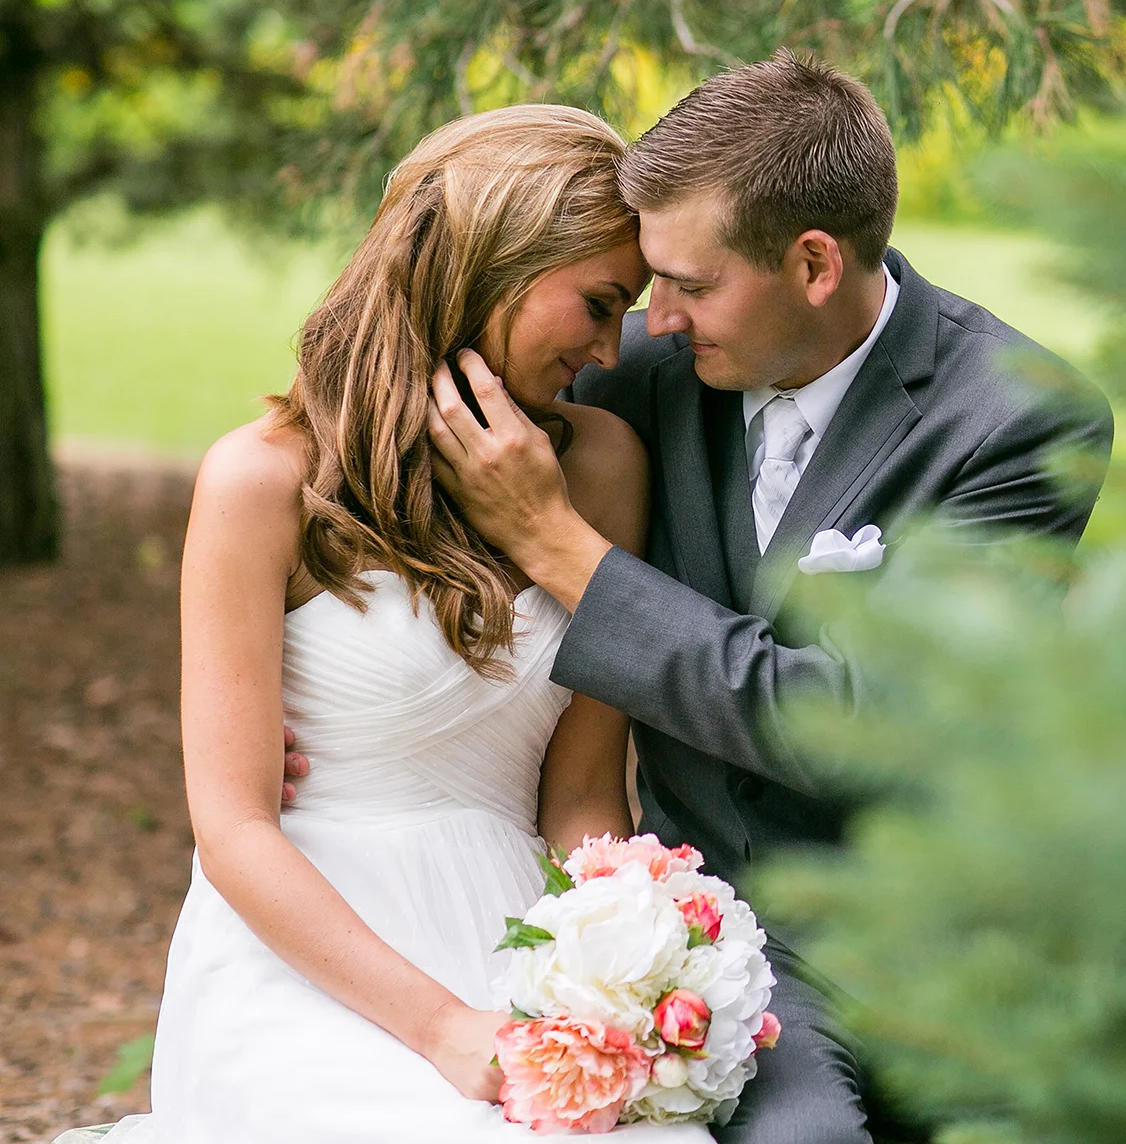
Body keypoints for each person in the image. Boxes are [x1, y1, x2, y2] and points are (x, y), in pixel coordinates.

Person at [426, 52, 1115, 1144]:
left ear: (812, 263)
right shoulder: (636, 370)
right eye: (652, 281)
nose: (655, 315)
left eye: (692, 286)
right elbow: (401, 425)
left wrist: (566, 551)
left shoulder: (1015, 419)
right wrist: (314, 688)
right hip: (720, 933)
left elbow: (873, 727)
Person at [94, 105, 713, 1142]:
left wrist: (631, 958)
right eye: (600, 303)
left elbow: (582, 794)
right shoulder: (261, 483)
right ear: (497, 262)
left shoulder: (601, 465)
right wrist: (441, 1028)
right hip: (306, 956)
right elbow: (234, 825)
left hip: (512, 932)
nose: (611, 349)